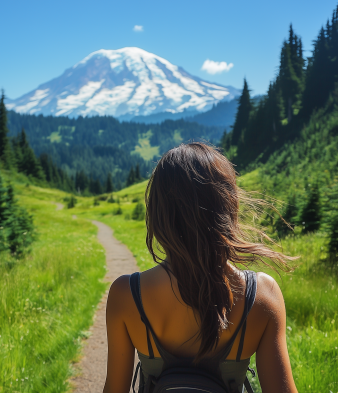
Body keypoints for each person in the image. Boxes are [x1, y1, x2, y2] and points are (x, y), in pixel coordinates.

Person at [103, 143, 298, 393]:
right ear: (229, 208)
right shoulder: (261, 295)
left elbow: (114, 389)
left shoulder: (126, 294)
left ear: (159, 216)